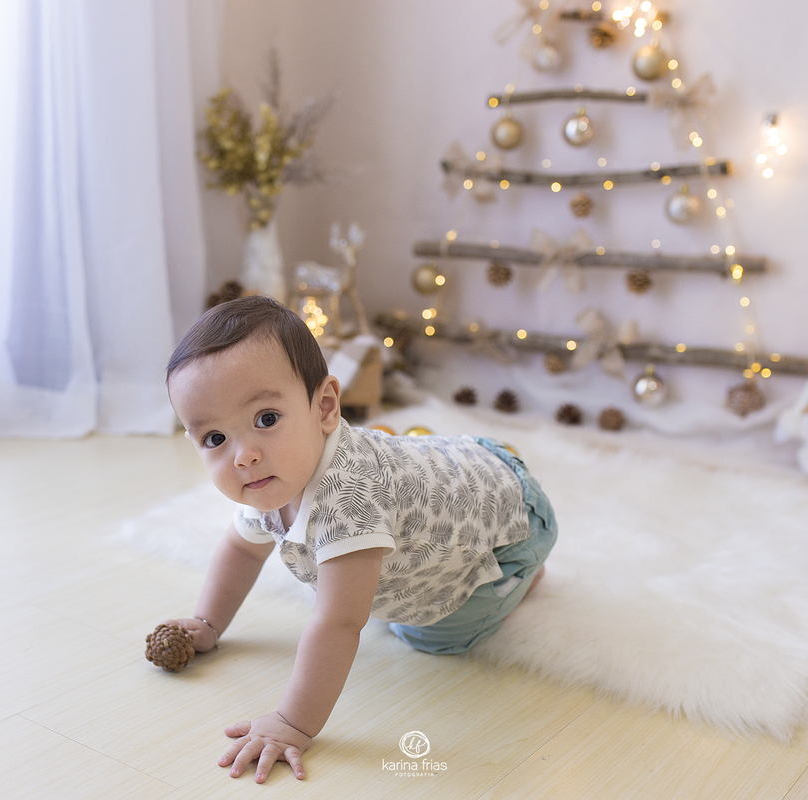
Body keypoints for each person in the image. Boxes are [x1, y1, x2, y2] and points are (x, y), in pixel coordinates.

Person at [163, 295, 556, 784]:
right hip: (460, 477)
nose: (243, 456)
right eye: (215, 439)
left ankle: (521, 573)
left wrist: (292, 722)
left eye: (266, 419)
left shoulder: (349, 500)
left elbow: (340, 622)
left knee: (429, 634)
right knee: (364, 590)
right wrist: (207, 621)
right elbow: (242, 548)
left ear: (325, 407)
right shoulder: (268, 477)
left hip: (508, 518)